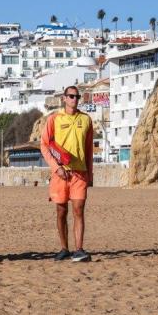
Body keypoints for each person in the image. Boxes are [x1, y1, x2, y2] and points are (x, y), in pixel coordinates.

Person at [40, 85, 94, 263]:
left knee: (79, 210)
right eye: (71, 96)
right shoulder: (54, 119)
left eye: (77, 97)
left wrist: (90, 174)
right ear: (64, 98)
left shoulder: (86, 120)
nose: (74, 99)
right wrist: (57, 168)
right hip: (60, 173)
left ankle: (79, 249)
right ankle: (64, 248)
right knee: (61, 211)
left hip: (79, 173)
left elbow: (88, 150)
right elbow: (45, 145)